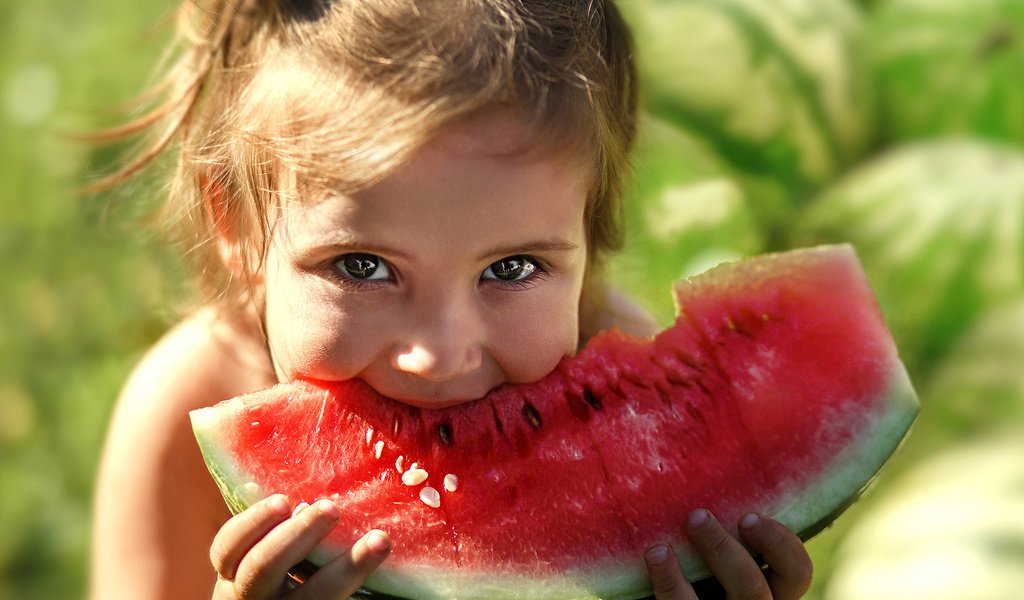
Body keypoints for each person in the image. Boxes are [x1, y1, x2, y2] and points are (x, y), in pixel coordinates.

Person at [89, 1, 813, 598]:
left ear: (589, 234)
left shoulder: (625, 395)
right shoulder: (186, 404)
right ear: (238, 228)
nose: (438, 354)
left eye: (513, 268)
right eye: (362, 265)